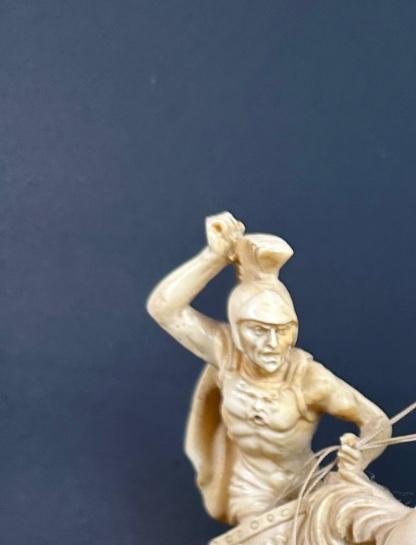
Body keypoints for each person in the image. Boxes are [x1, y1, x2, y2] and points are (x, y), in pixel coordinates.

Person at [147, 212, 389, 523]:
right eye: (259, 330)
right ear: (237, 330)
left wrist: (358, 457)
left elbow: (376, 423)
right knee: (266, 541)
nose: (272, 342)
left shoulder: (308, 379)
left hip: (307, 485)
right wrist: (214, 256)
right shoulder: (226, 354)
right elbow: (164, 309)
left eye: (283, 330)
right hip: (250, 491)